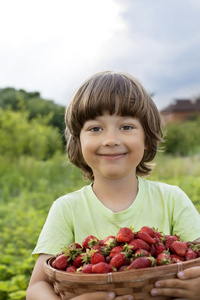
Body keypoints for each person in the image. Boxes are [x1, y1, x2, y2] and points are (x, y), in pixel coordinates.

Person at [26, 71, 200, 300]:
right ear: (78, 141)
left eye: (126, 126)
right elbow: (37, 287)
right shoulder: (67, 209)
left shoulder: (172, 199)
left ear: (147, 138)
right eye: (95, 128)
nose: (111, 139)